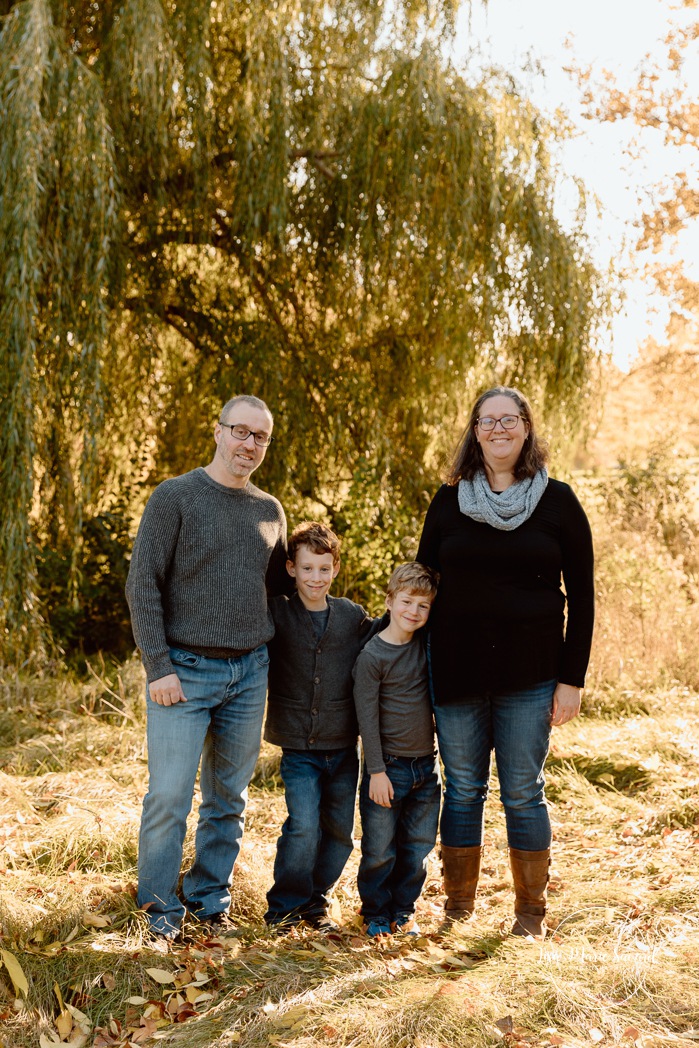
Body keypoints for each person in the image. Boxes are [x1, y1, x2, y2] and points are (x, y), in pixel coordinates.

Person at [416, 385, 594, 940]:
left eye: (508, 419)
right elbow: (423, 583)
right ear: (474, 431)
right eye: (487, 420)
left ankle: (529, 916)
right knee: (463, 786)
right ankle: (458, 909)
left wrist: (572, 680)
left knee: (522, 789)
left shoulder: (559, 501)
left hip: (531, 673)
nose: (498, 429)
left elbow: (583, 597)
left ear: (525, 427)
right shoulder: (447, 502)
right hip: (457, 670)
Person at [125, 394, 289, 942]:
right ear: (217, 432)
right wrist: (158, 668)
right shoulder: (175, 496)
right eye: (240, 432)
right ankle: (157, 908)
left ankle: (207, 896)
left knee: (228, 799)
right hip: (184, 672)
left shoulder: (269, 510)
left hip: (249, 673)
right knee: (169, 796)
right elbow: (142, 582)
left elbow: (281, 595)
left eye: (259, 437)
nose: (249, 444)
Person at [263, 521, 380, 930]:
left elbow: (384, 639)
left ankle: (315, 902)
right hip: (298, 748)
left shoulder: (350, 616)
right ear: (292, 568)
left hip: (343, 747)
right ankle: (283, 908)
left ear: (335, 569)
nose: (316, 578)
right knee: (303, 827)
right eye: (308, 568)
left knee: (340, 833)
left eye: (324, 569)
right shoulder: (277, 611)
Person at [352, 562, 441, 939]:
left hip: (426, 768)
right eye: (406, 602)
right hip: (387, 769)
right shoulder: (372, 657)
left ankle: (403, 911)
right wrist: (375, 771)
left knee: (417, 848)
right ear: (389, 601)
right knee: (380, 850)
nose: (413, 612)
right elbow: (366, 720)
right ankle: (375, 912)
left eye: (423, 606)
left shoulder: (426, 646)